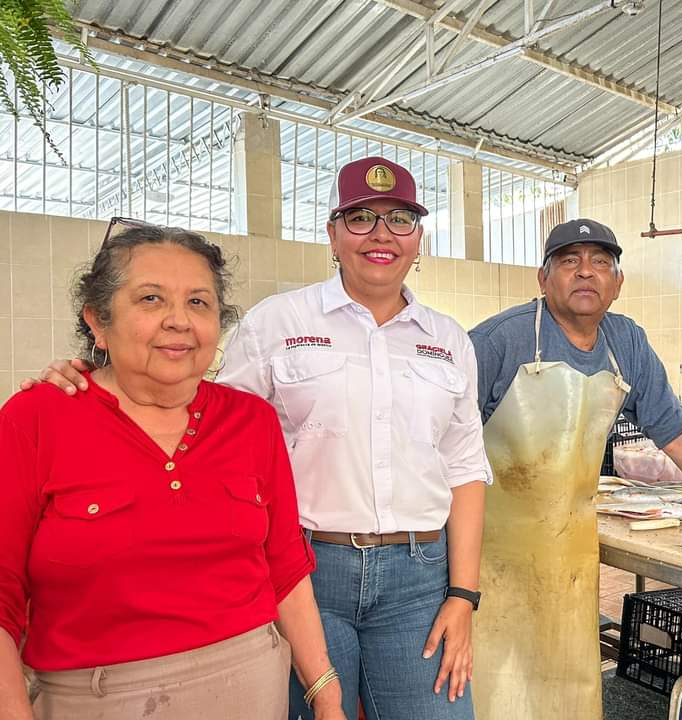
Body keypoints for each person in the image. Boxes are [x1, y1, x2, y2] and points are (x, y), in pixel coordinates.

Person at [23, 158, 489, 720]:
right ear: (333, 233)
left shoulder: (449, 339)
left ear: (419, 238)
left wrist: (463, 596)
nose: (381, 235)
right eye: (361, 218)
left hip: (419, 577)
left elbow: (464, 466)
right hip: (308, 570)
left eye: (400, 220)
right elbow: (204, 411)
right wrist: (94, 372)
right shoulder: (277, 322)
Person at [466, 218, 682, 719]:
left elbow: (676, 434)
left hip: (570, 552)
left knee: (566, 685)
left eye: (601, 263)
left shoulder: (624, 341)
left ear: (618, 282)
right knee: (497, 687)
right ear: (543, 279)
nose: (586, 273)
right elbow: (443, 449)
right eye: (570, 261)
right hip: (489, 555)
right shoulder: (500, 341)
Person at [0, 220, 344, 720]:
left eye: (198, 302)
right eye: (151, 300)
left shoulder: (251, 421)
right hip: (96, 701)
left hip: (252, 688)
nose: (179, 321)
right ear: (97, 321)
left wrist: (326, 695)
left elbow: (286, 568)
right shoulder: (36, 418)